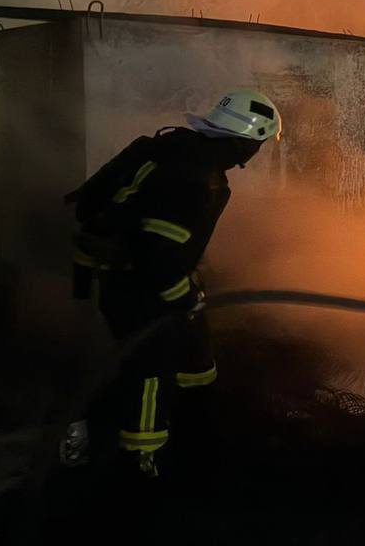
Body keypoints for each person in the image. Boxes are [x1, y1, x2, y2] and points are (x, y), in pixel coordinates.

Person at [63, 88, 281, 477]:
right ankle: (139, 463)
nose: (257, 153)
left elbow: (141, 222)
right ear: (246, 142)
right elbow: (158, 259)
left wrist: (192, 281)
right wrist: (184, 296)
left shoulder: (171, 147)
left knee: (193, 354)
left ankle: (194, 430)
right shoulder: (200, 180)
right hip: (134, 284)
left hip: (112, 269)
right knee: (151, 368)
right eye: (258, 145)